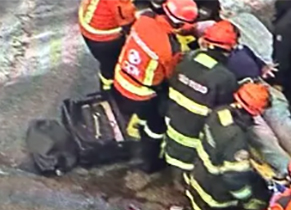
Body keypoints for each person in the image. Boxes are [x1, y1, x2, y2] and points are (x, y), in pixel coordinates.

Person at [186, 82, 272, 210]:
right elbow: (234, 178)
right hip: (220, 193)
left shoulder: (221, 113)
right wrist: (247, 199)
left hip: (202, 178)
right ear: (254, 111)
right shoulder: (235, 137)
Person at [113, 0, 199, 173]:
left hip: (121, 76)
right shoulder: (169, 49)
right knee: (156, 125)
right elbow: (171, 75)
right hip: (141, 93)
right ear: (180, 23)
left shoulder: (145, 18)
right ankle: (150, 162)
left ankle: (138, 120)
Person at [164, 20, 240, 184]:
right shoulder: (225, 78)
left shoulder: (188, 59)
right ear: (229, 49)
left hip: (174, 123)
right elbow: (224, 112)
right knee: (192, 169)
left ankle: (177, 181)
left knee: (176, 160)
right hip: (196, 135)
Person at [79, 0, 137, 91]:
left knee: (107, 65)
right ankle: (109, 89)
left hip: (90, 24)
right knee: (112, 65)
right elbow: (125, 18)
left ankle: (106, 84)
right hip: (104, 37)